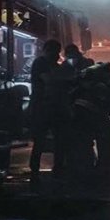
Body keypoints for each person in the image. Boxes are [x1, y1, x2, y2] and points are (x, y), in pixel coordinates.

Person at [72, 62, 110, 184]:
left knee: (85, 144)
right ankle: (107, 175)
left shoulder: (89, 80)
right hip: (92, 113)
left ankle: (88, 173)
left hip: (80, 111)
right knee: (105, 145)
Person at [28, 39, 62, 188]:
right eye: (55, 52)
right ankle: (35, 172)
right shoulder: (40, 63)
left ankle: (56, 170)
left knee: (56, 141)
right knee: (41, 141)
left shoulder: (51, 64)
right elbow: (49, 80)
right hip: (42, 107)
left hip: (50, 107)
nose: (57, 55)